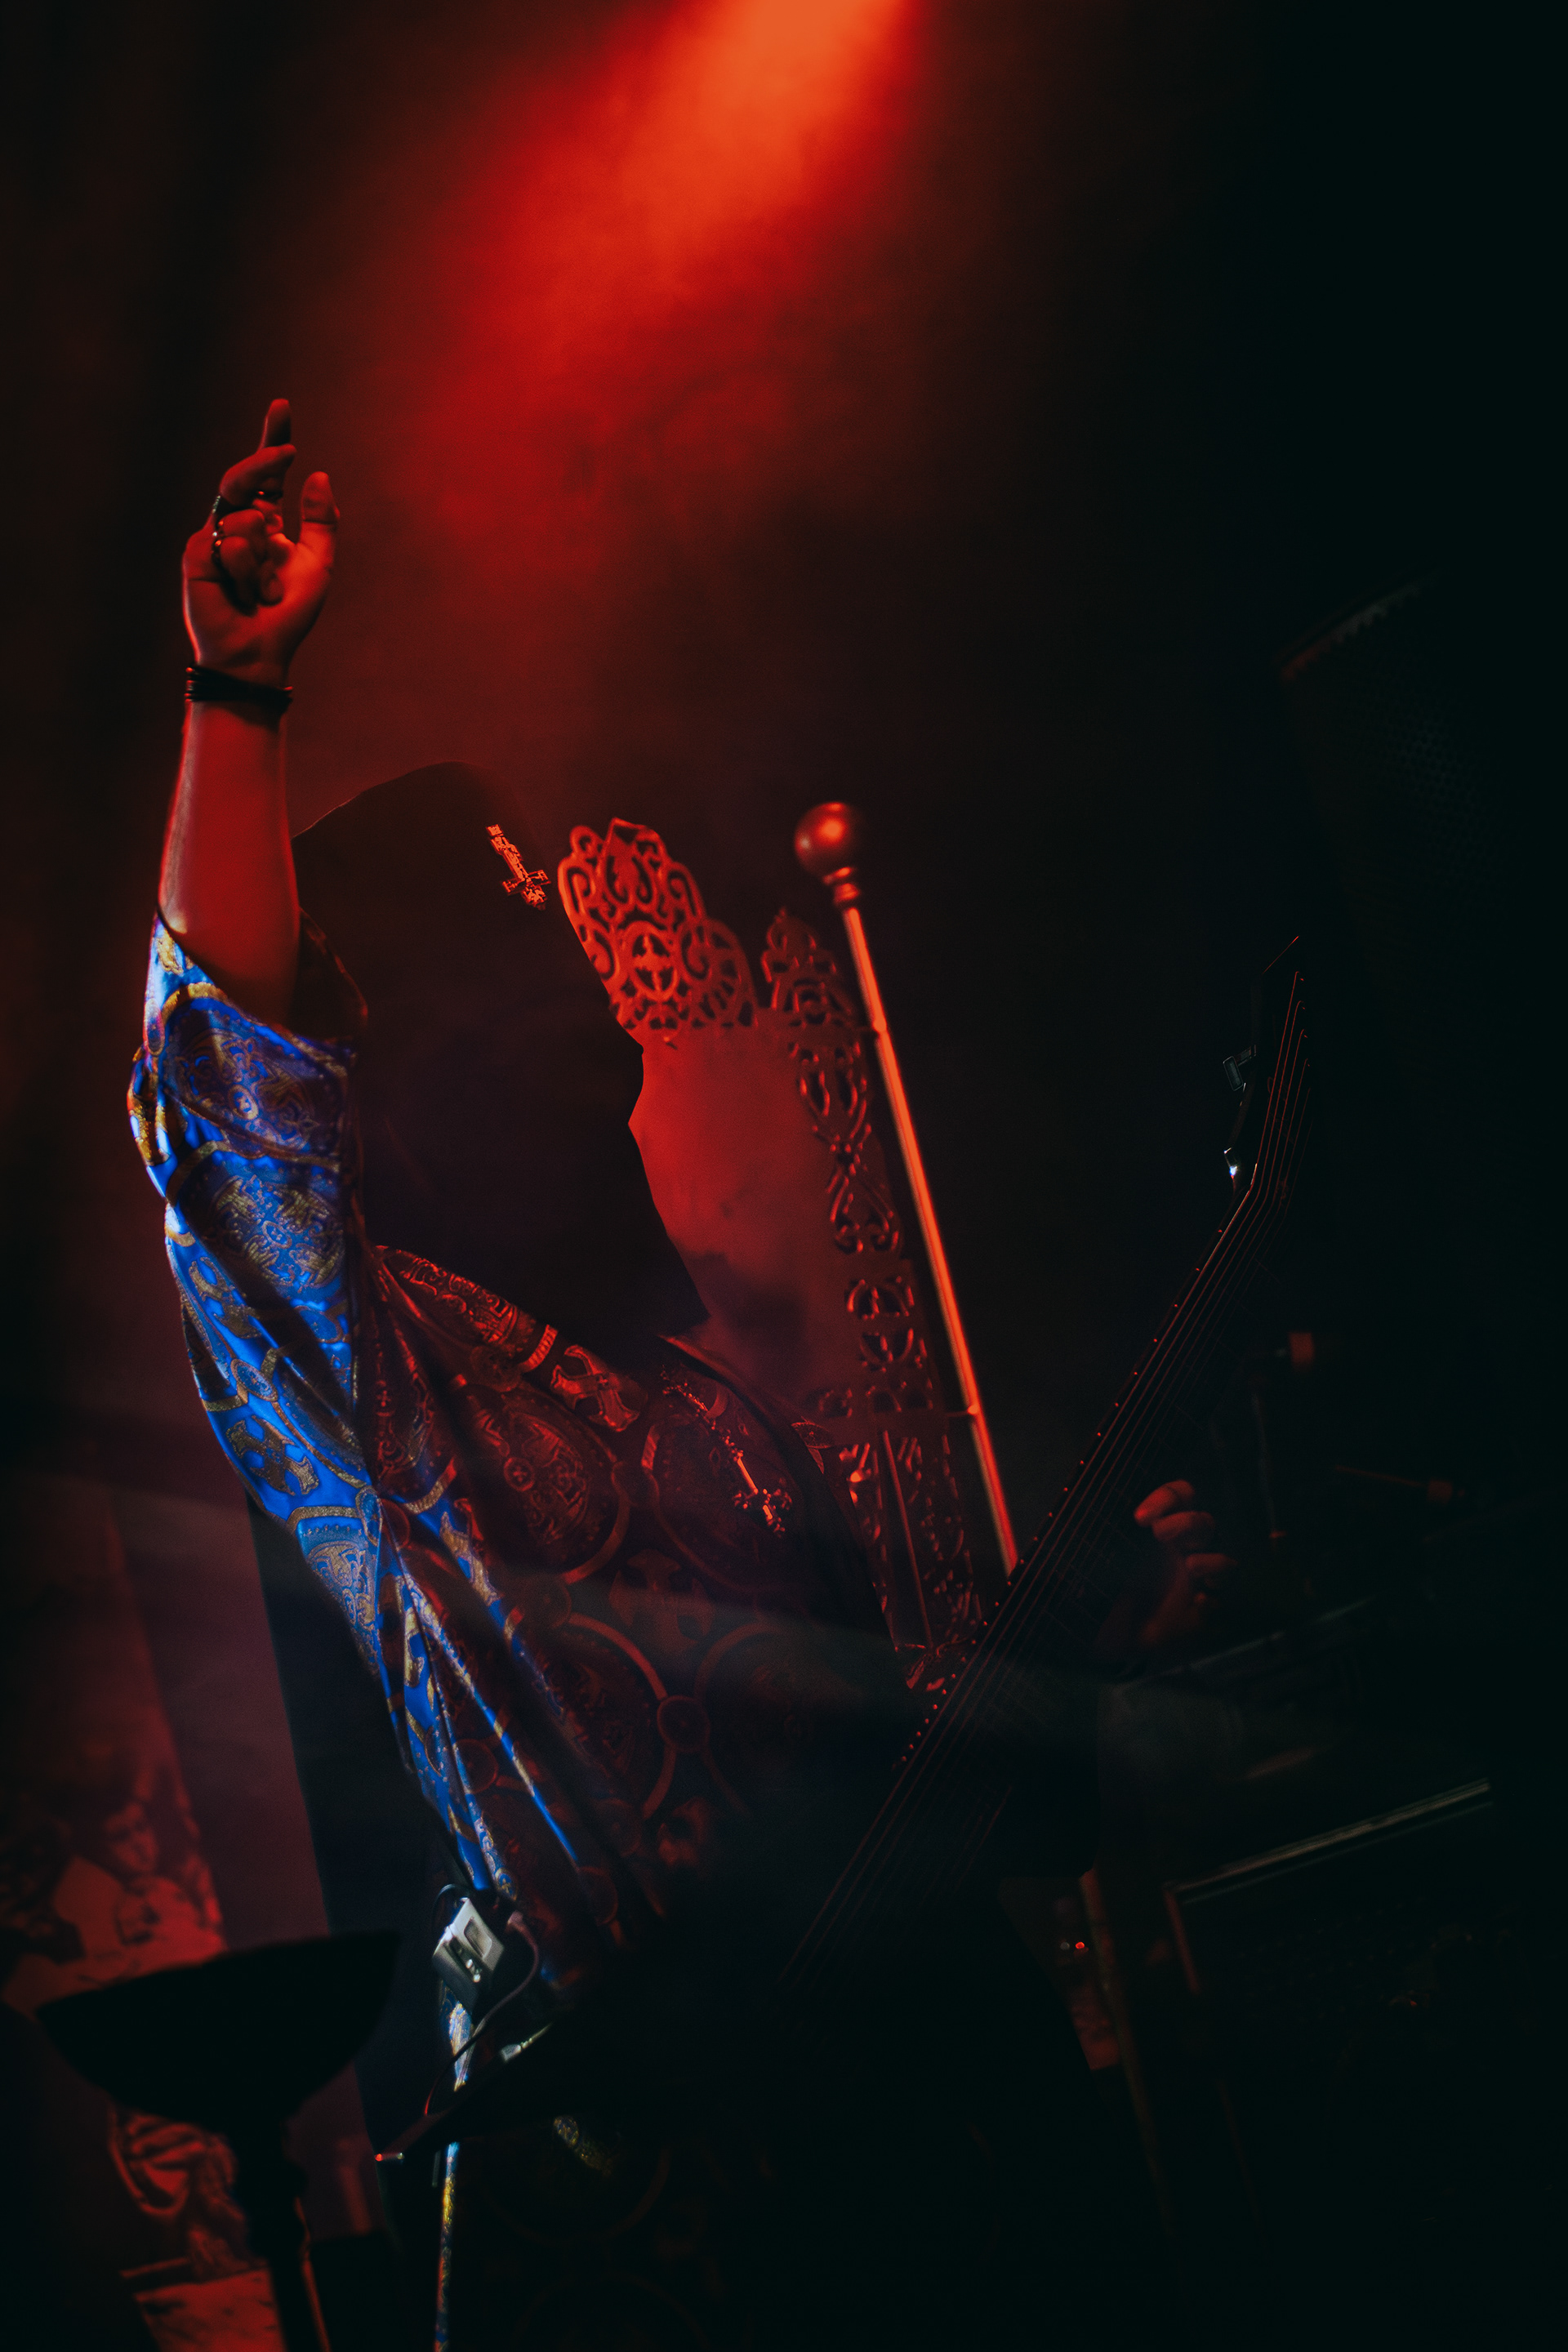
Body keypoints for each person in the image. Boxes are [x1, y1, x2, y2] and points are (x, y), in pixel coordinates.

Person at [131, 401, 1232, 2345]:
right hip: (682, 2182)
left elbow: (876, 1772)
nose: (571, 995)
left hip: (938, 2115)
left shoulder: (687, 1390)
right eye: (504, 951)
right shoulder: (388, 1379)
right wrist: (235, 694)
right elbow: (221, 1102)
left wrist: (1092, 1663)